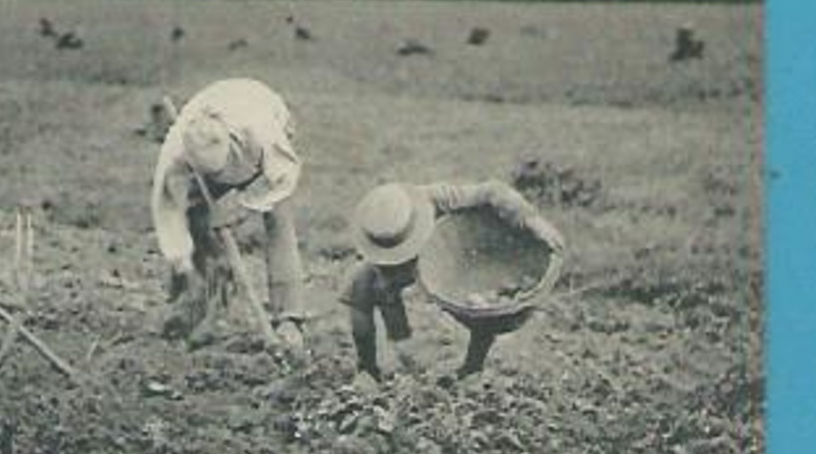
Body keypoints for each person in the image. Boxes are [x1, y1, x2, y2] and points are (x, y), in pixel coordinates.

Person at [342, 180, 565, 382]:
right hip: (396, 270)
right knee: (361, 288)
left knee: (479, 304)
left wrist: (530, 219)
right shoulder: (375, 238)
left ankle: (472, 367)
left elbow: (492, 191)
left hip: (444, 254)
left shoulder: (434, 198)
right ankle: (369, 368)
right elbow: (375, 286)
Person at [151, 78, 309, 347]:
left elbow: (283, 179)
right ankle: (195, 307)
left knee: (279, 221)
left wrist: (240, 205)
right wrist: (182, 263)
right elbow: (167, 211)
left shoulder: (262, 130)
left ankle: (289, 320)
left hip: (261, 115)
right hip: (207, 134)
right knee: (196, 222)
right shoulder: (175, 153)